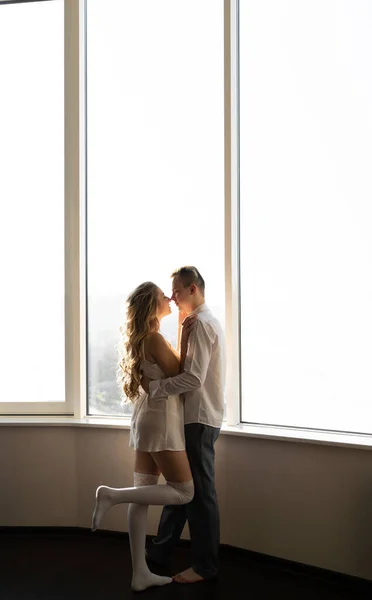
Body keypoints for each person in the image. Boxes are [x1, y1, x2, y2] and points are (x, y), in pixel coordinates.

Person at [91, 281, 196, 592]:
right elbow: (181, 372)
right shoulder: (153, 338)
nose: (168, 297)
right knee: (184, 492)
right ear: (152, 306)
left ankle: (140, 573)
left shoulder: (141, 340)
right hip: (161, 422)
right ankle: (111, 495)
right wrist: (182, 331)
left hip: (145, 419)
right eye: (162, 295)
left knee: (142, 495)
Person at [142, 266, 225, 584]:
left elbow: (193, 378)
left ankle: (206, 566)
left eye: (176, 291)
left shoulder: (202, 324)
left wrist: (156, 390)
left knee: (201, 494)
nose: (172, 297)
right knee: (182, 489)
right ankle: (159, 552)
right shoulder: (195, 323)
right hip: (196, 417)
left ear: (193, 289)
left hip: (199, 418)